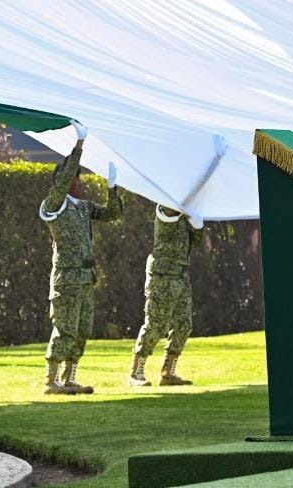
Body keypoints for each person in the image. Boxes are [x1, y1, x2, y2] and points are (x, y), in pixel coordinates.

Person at [40, 123, 123, 396]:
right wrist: (78, 146)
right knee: (64, 328)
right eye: (76, 178)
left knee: (82, 329)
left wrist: (112, 188)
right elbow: (62, 180)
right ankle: (51, 381)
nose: (79, 182)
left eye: (79, 178)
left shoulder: (84, 208)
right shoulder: (55, 204)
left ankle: (70, 377)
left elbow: (113, 215)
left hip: (86, 278)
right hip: (66, 278)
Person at [128, 204, 200, 386]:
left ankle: (168, 372)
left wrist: (198, 225)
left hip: (180, 276)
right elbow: (171, 210)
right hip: (162, 276)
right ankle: (136, 373)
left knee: (183, 325)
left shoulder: (185, 218)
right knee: (156, 324)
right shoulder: (166, 209)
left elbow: (196, 242)